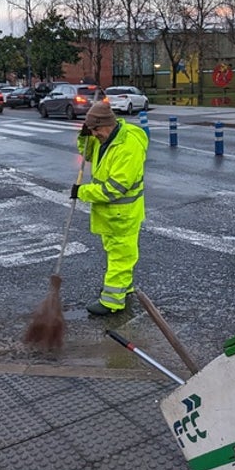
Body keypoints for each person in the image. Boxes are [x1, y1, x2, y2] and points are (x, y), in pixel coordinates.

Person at [70, 101, 149, 315]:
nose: (95, 134)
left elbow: (114, 189)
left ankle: (113, 302)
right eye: (92, 130)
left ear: (108, 125)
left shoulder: (127, 147)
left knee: (120, 256)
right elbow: (87, 154)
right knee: (117, 253)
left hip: (122, 214)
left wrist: (82, 192)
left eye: (96, 130)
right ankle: (125, 287)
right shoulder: (104, 137)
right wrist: (85, 135)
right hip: (110, 213)